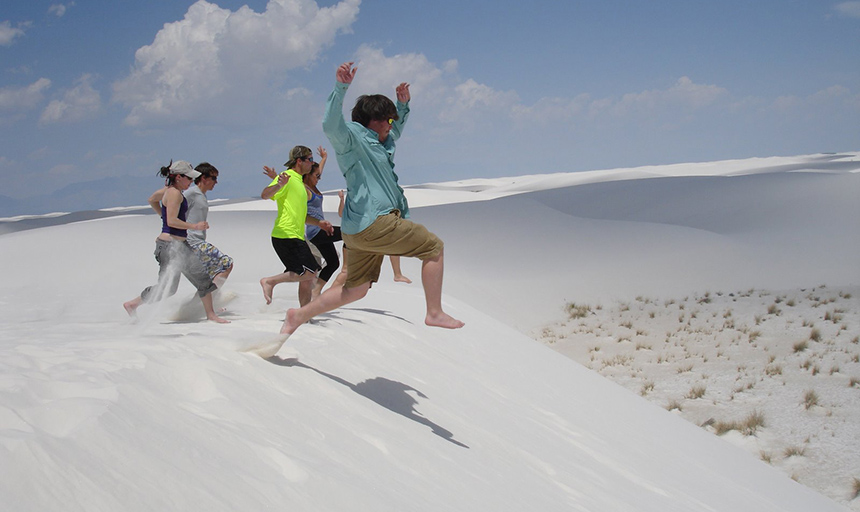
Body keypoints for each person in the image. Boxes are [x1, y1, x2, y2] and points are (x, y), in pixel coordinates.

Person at [279, 61, 464, 336]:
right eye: (388, 120)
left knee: (356, 290)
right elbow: (331, 125)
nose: (392, 125)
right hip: (375, 222)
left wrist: (403, 108)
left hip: (357, 231)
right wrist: (340, 88)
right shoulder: (352, 138)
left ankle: (298, 315)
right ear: (372, 121)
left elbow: (394, 133)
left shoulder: (380, 141)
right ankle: (434, 312)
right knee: (433, 248)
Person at [123, 160, 229, 323]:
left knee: (200, 279)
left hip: (178, 245)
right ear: (178, 177)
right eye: (189, 178)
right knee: (170, 288)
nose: (191, 182)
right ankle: (132, 304)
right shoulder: (174, 193)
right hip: (170, 247)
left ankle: (211, 315)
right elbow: (172, 221)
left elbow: (152, 199)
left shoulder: (169, 190)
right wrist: (195, 225)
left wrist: (162, 216)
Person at [259, 145, 333, 307]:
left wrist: (319, 223)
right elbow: (265, 195)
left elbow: (302, 215)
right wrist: (278, 184)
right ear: (299, 161)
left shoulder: (299, 181)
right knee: (309, 272)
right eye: (310, 160)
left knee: (307, 277)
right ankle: (270, 282)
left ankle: (304, 314)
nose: (312, 163)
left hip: (295, 235)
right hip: (285, 234)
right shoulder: (288, 178)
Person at [185, 162, 233, 289]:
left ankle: (205, 301)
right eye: (213, 178)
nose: (216, 182)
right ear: (203, 178)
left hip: (198, 240)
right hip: (192, 242)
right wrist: (193, 226)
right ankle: (212, 296)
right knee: (227, 264)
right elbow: (174, 211)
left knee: (207, 276)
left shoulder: (201, 195)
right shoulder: (191, 193)